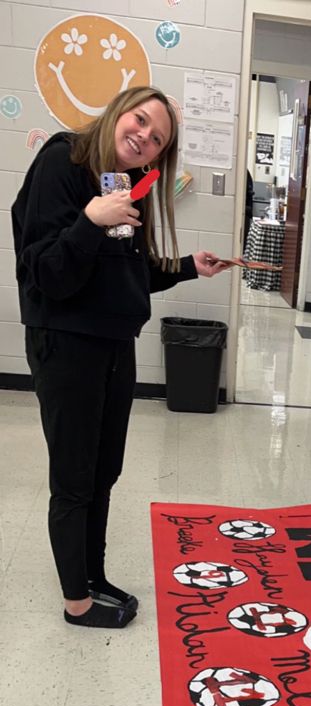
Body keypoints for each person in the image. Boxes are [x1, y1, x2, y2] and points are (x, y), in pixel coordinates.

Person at [11, 86, 232, 629]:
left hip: (113, 343)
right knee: (74, 476)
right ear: (117, 112)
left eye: (157, 138)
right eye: (139, 121)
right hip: (66, 343)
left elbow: (123, 271)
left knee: (104, 470)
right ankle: (76, 603)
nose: (144, 137)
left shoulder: (124, 183)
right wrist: (90, 220)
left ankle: (93, 574)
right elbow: (46, 273)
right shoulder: (61, 162)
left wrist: (185, 266)